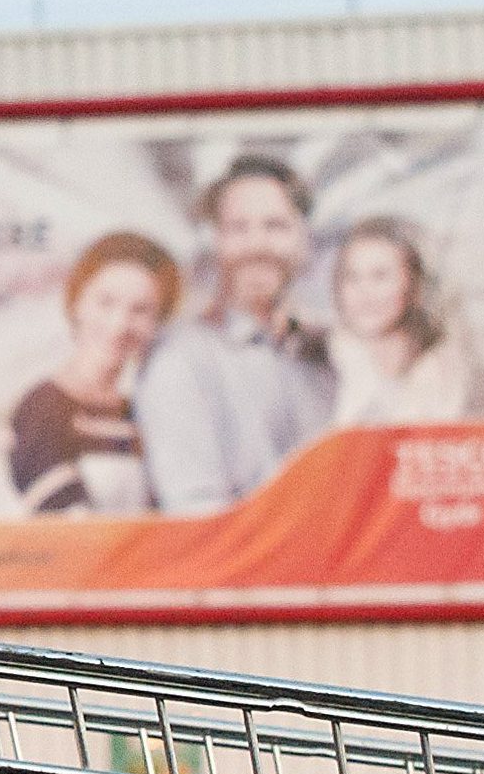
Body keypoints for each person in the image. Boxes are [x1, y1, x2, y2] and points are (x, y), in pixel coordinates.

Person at [133, 155, 336, 514]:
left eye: (275, 226)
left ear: (303, 238)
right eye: (238, 228)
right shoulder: (181, 361)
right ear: (217, 243)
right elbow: (194, 514)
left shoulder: (328, 354)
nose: (257, 244)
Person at [8, 232, 180, 515]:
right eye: (105, 302)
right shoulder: (43, 409)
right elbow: (70, 534)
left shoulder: (135, 410)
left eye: (141, 310)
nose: (120, 324)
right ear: (77, 303)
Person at [326, 217, 484, 427]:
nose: (364, 292)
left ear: (415, 283)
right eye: (351, 277)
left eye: (380, 276)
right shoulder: (337, 362)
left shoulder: (449, 375)